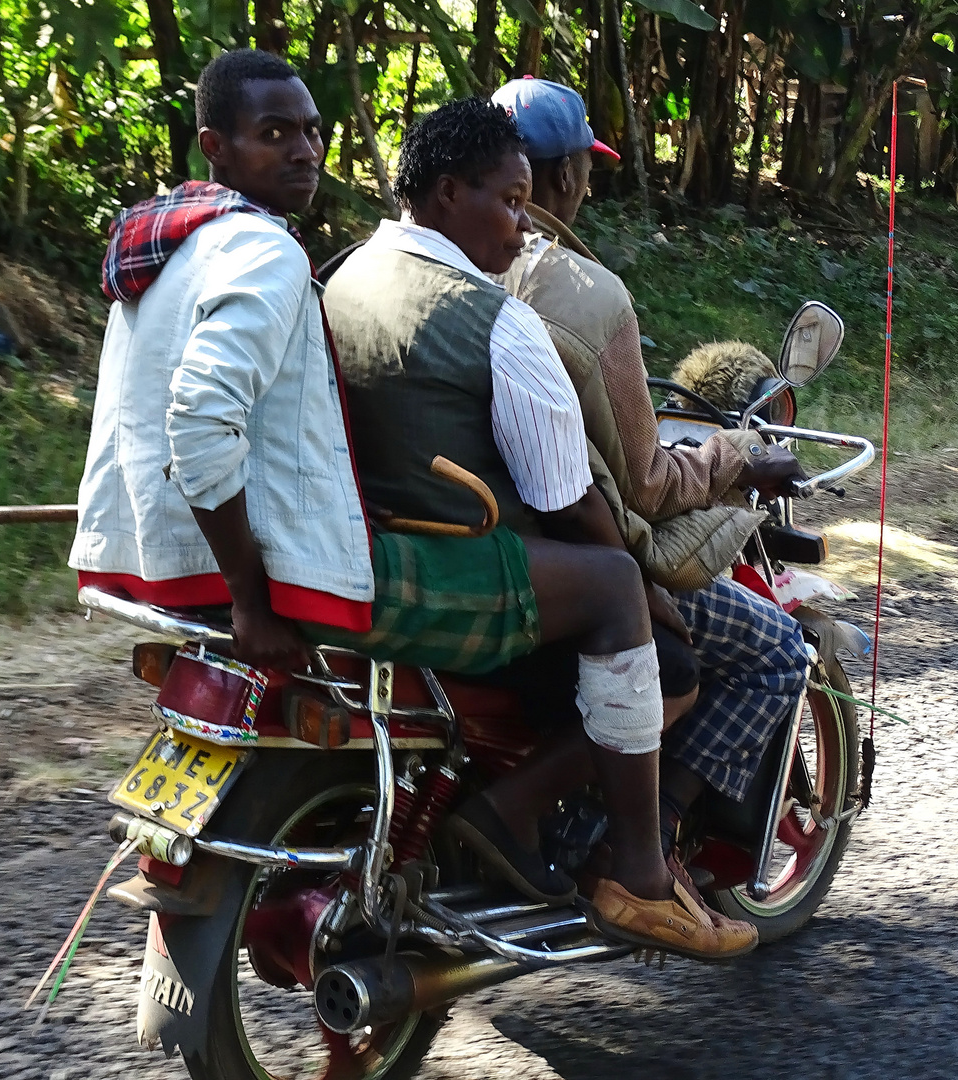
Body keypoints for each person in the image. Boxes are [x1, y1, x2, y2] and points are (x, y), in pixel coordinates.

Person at [67, 51, 747, 956]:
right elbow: (201, 421)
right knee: (618, 587)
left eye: (311, 130)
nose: (305, 150)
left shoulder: (187, 246)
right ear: (214, 146)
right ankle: (637, 873)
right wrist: (248, 595)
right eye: (276, 134)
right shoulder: (274, 254)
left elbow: (175, 418)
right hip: (313, 571)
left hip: (156, 559)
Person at [323, 97, 756, 957]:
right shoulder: (500, 323)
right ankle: (636, 873)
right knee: (650, 632)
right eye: (511, 203)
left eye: (530, 204)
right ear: (447, 194)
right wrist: (645, 600)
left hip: (390, 537)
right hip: (464, 568)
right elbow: (570, 501)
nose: (525, 228)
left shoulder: (347, 273)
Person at [488, 76, 811, 867]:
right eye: (586, 170)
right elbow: (645, 484)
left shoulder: (409, 264)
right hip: (572, 555)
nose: (587, 186)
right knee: (776, 650)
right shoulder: (584, 294)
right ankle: (644, 845)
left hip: (467, 532)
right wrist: (736, 456)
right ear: (561, 177)